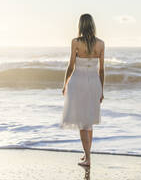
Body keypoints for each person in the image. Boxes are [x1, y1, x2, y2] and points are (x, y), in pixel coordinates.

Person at [61, 13, 105, 167]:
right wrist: (102, 90)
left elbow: (71, 65)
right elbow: (101, 70)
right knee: (89, 121)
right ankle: (87, 154)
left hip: (78, 82)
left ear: (80, 25)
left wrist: (65, 83)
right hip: (94, 83)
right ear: (93, 25)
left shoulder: (75, 42)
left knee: (82, 122)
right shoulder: (100, 44)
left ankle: (88, 158)